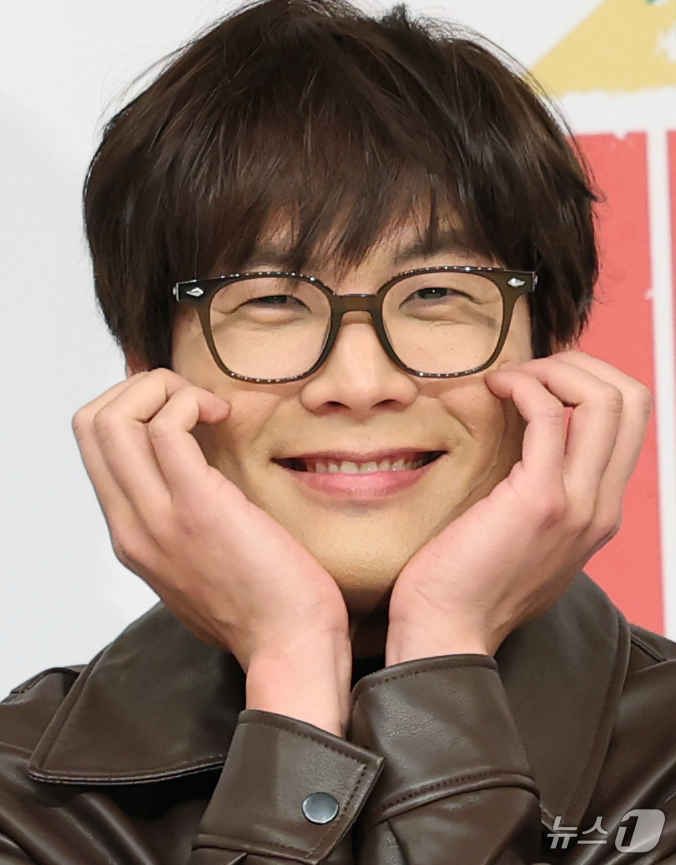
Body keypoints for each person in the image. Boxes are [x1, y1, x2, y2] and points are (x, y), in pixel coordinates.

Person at [1, 0, 674, 862]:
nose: (359, 384)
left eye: (436, 291)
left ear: (552, 347)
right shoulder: (23, 798)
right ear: (148, 371)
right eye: (272, 300)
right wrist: (290, 670)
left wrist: (443, 645)